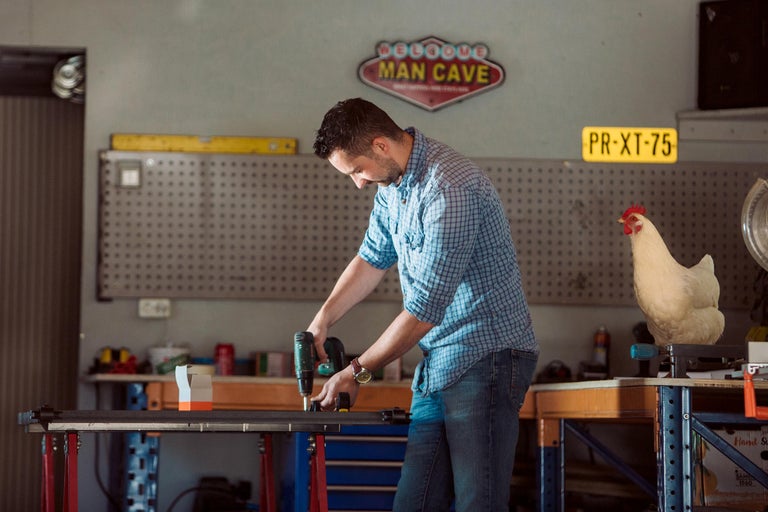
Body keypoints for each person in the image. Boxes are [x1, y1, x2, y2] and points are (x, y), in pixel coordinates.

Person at [307, 97, 539, 511]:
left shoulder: (449, 188)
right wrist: (322, 321)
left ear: (381, 145)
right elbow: (371, 257)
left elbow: (424, 310)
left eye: (357, 169)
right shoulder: (392, 187)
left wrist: (356, 372)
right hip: (438, 364)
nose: (358, 182)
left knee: (478, 504)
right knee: (414, 503)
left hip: (486, 358)